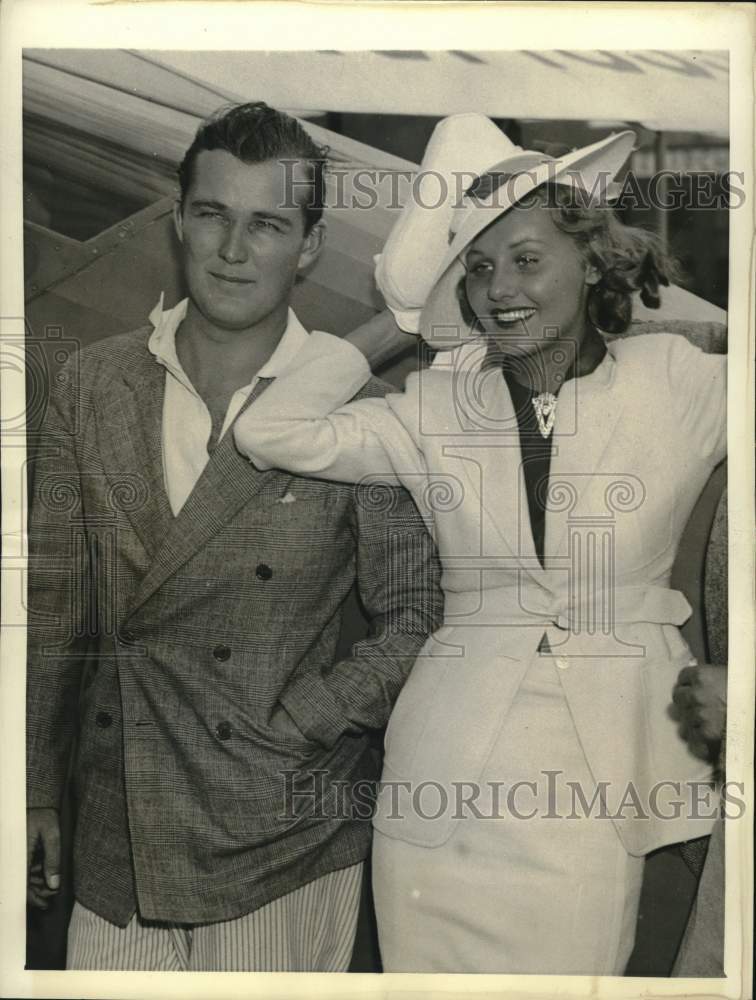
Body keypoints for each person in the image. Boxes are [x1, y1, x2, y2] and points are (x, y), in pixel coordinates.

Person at [232, 115, 727, 974]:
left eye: (528, 259)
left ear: (592, 260)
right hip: (441, 780)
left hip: (596, 781)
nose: (501, 288)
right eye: (480, 267)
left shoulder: (680, 382)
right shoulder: (435, 406)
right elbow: (271, 429)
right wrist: (400, 322)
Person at [25, 101, 443, 972]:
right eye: (213, 214)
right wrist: (31, 787)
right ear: (178, 220)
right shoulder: (92, 381)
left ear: (312, 246)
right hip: (117, 834)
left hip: (283, 841)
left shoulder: (359, 406)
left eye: (267, 225)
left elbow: (416, 616)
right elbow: (53, 604)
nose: (232, 249)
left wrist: (301, 723)